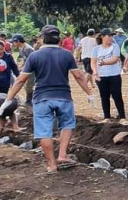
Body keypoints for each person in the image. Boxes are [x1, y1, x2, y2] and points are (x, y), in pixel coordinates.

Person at [0, 25, 95, 173]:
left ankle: (51, 165)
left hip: (42, 98)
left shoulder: (34, 56)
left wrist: (8, 99)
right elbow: (78, 76)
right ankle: (62, 155)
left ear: (43, 38)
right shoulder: (67, 55)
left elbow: (20, 80)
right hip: (63, 96)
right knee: (67, 125)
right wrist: (89, 93)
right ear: (59, 39)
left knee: (44, 131)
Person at [91, 28, 126, 123]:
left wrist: (103, 62)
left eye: (112, 36)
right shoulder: (96, 49)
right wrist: (95, 71)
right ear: (103, 37)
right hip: (101, 76)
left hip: (114, 75)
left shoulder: (115, 47)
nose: (111, 38)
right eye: (109, 36)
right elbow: (93, 62)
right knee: (104, 96)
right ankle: (107, 116)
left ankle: (122, 116)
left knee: (117, 95)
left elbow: (115, 59)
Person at [11, 34, 35, 106]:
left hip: (33, 69)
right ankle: (30, 99)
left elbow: (31, 61)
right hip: (28, 69)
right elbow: (24, 59)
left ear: (18, 41)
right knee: (27, 85)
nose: (13, 44)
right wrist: (19, 67)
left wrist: (23, 68)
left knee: (29, 85)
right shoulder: (21, 48)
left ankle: (29, 101)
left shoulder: (28, 49)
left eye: (14, 42)